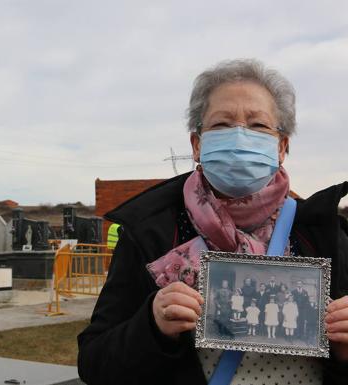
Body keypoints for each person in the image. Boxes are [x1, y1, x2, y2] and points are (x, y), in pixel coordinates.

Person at [77, 59, 348, 385]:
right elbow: (95, 364)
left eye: (258, 126)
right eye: (221, 125)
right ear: (197, 144)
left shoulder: (322, 233)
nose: (240, 138)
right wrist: (152, 327)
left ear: (281, 147)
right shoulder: (150, 234)